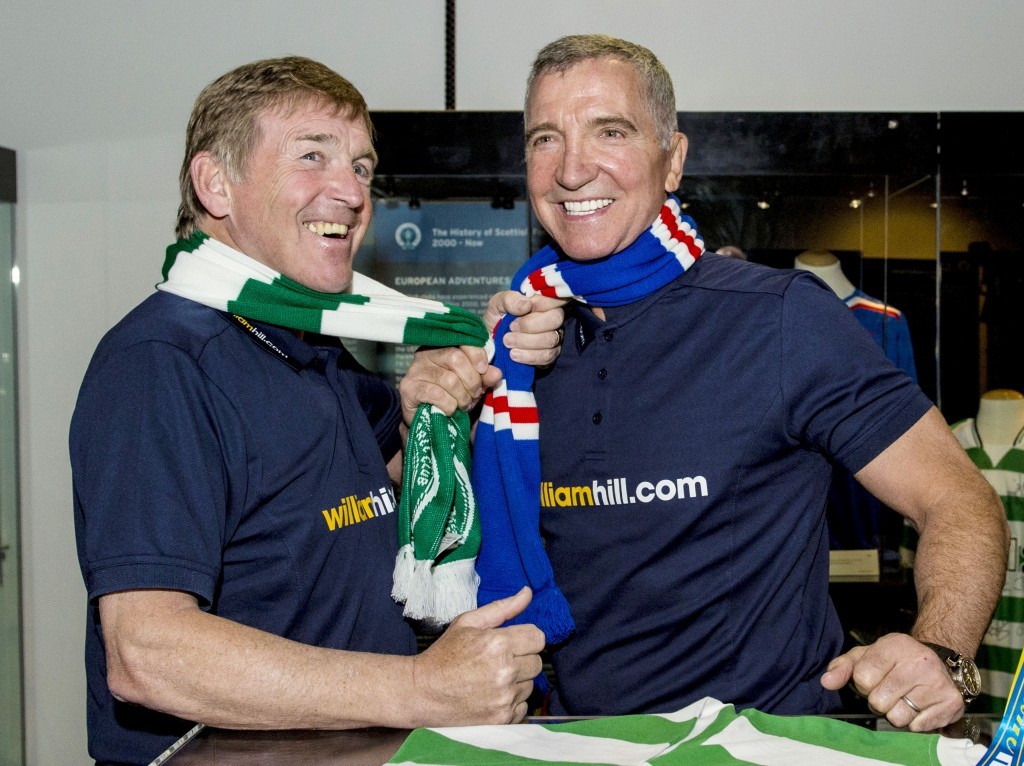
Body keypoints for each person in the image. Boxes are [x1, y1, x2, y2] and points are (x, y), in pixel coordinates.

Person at [70, 56, 564, 766]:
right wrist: (423, 687)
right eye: (312, 157)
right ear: (216, 184)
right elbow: (148, 651)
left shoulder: (306, 346)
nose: (351, 191)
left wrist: (456, 378)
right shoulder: (162, 361)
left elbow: (379, 470)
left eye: (362, 167)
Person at [514, 33, 1008, 733]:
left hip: (767, 743)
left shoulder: (779, 318)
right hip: (573, 742)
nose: (571, 169)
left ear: (673, 158)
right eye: (544, 139)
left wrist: (940, 650)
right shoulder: (515, 351)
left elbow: (959, 500)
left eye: (610, 131)